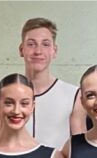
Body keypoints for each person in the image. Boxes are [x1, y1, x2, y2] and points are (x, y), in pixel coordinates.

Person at [17, 17, 85, 148]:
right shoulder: (2, 96)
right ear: (21, 49)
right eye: (31, 44)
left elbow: (80, 151)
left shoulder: (74, 96)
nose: (38, 51)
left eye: (45, 44)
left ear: (55, 51)